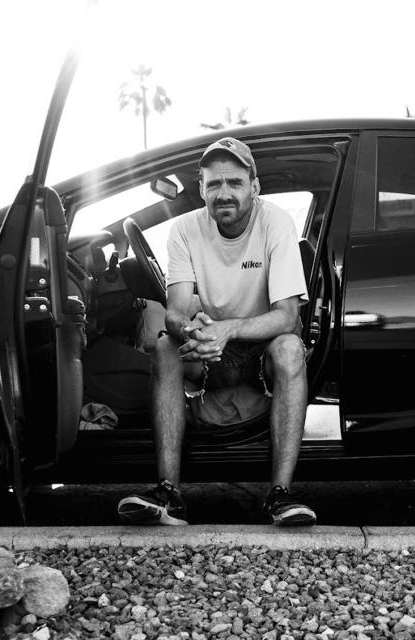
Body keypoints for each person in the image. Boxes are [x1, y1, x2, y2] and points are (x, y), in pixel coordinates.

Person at [117, 136, 316, 526]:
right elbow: (174, 313)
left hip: (261, 350)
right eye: (213, 184)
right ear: (202, 189)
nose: (224, 193)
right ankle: (169, 493)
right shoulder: (185, 231)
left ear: (254, 187)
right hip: (209, 349)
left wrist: (230, 330)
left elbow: (287, 316)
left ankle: (281, 495)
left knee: (291, 347)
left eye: (234, 183)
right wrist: (193, 332)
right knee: (163, 347)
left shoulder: (275, 222)